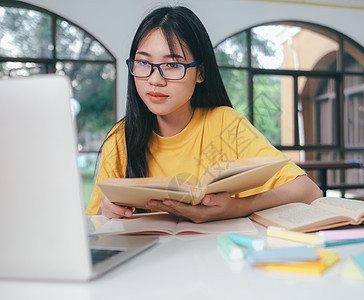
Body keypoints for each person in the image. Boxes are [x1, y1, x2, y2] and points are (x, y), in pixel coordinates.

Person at [86, 5, 322, 222]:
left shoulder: (225, 124)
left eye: (172, 65)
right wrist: (106, 211)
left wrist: (240, 206)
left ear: (200, 73)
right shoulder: (121, 138)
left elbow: (309, 190)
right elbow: (92, 223)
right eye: (143, 63)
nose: (155, 80)